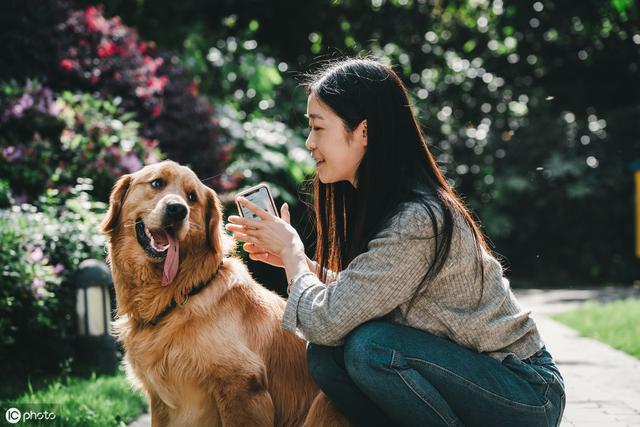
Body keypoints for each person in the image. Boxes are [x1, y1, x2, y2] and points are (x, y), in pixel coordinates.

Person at [225, 57, 565, 427]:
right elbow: (359, 299)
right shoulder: (385, 206)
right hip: (479, 379)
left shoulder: (418, 220)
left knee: (372, 348)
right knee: (328, 355)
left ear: (363, 131)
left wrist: (292, 252)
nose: (309, 143)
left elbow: (325, 321)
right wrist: (302, 266)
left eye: (318, 128)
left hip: (525, 392)